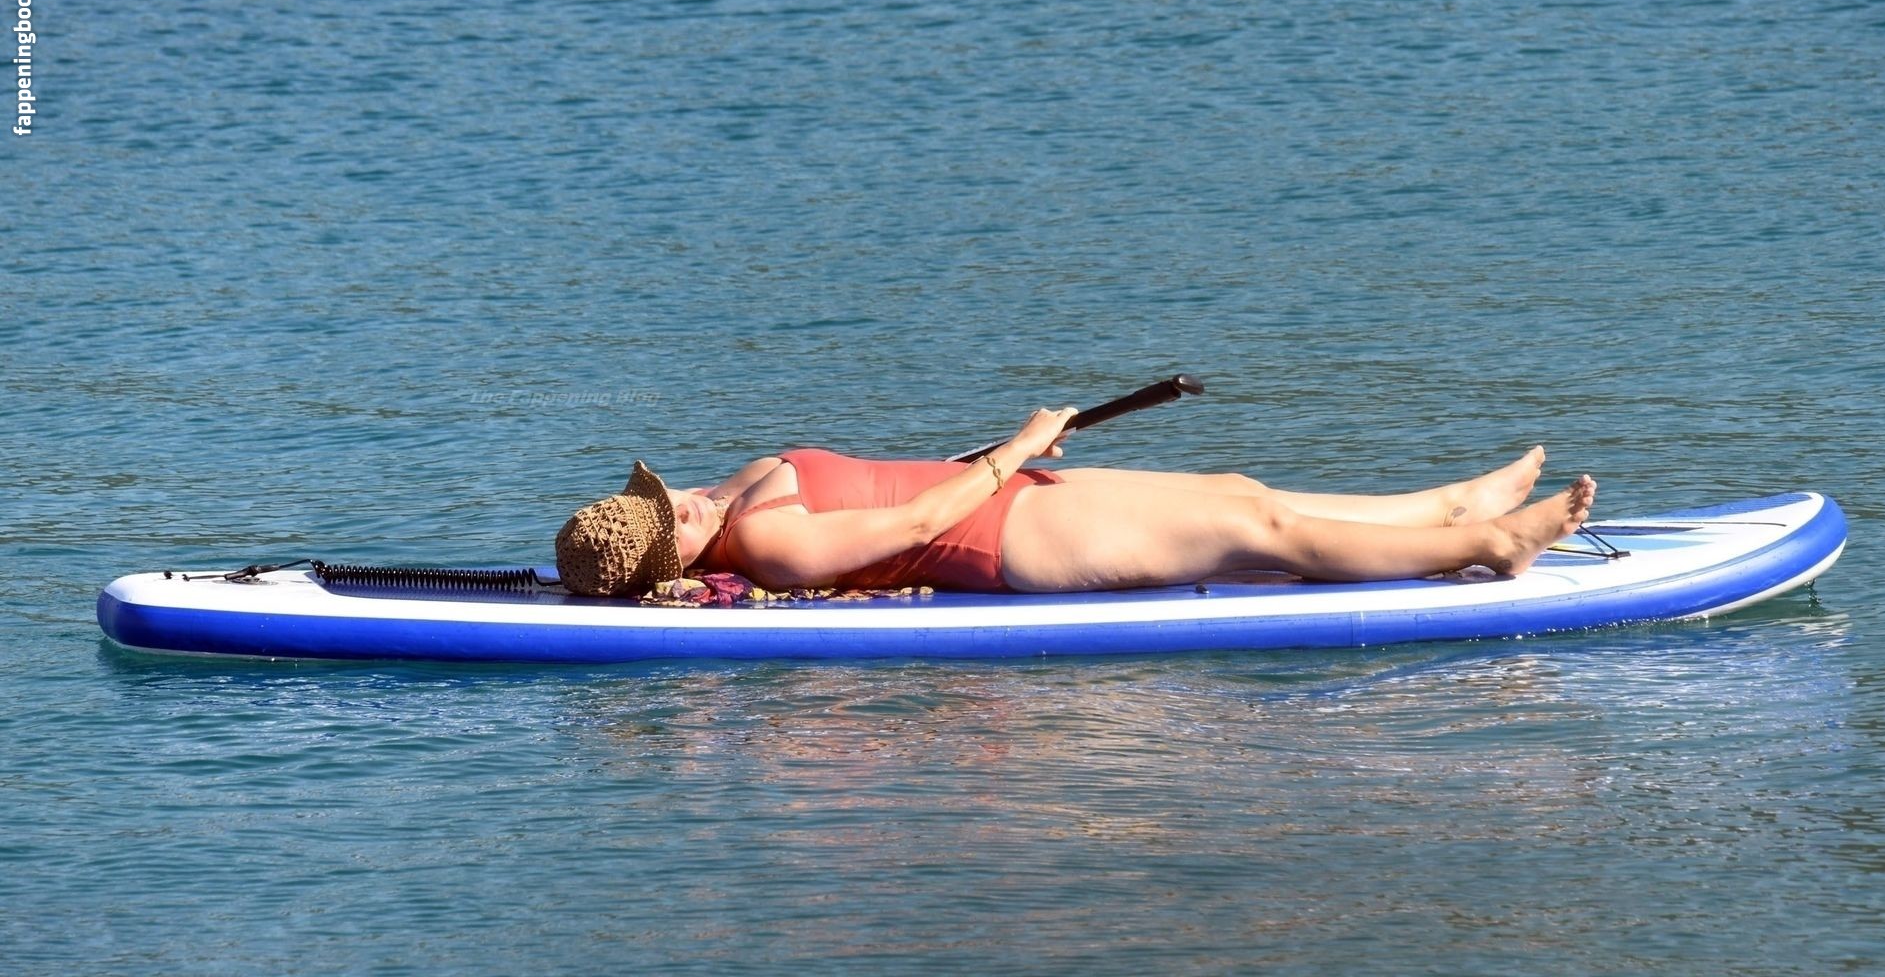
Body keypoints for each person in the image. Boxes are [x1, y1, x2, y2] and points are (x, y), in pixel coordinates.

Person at [554, 407, 1596, 597]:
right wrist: (1017, 446)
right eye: (675, 528)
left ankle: (1448, 504)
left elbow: (895, 478)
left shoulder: (735, 487)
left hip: (1014, 497)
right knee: (1255, 533)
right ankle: (1486, 548)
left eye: (665, 499)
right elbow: (914, 525)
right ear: (678, 561)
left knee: (1238, 493)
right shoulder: (770, 544)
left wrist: (1000, 458)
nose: (686, 507)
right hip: (1013, 540)